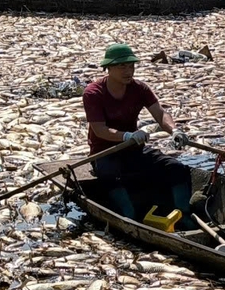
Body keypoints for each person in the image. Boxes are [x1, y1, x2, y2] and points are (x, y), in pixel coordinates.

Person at [83, 43, 194, 221]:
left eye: (131, 66)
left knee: (176, 168)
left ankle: (185, 214)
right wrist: (126, 136)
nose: (128, 71)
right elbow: (100, 130)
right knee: (110, 176)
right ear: (108, 68)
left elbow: (160, 113)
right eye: (122, 67)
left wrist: (174, 130)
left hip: (133, 149)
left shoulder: (139, 88)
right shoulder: (93, 93)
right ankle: (129, 218)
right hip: (105, 152)